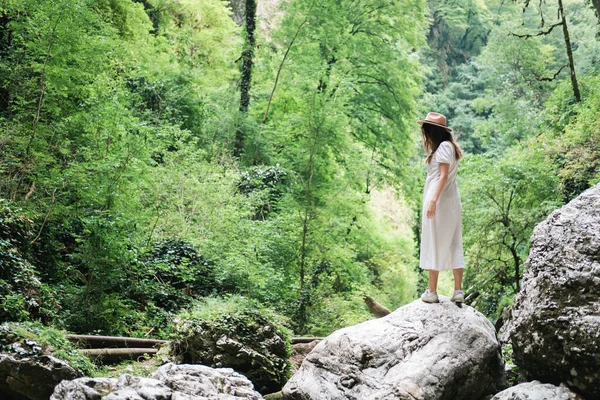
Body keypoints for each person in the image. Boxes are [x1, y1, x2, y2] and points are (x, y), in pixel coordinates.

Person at [417, 112, 465, 304]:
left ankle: (432, 291)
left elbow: (443, 176)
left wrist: (433, 201)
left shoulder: (444, 147)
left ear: (432, 131)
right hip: (451, 200)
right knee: (454, 241)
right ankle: (458, 290)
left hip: (440, 200)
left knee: (433, 241)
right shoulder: (449, 147)